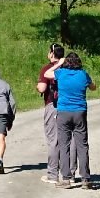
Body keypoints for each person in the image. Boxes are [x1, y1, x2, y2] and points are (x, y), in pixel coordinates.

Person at [52, 51, 94, 188]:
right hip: (79, 112)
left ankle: (66, 178)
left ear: (66, 62)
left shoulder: (61, 73)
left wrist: (58, 63)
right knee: (82, 145)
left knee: (64, 145)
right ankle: (85, 179)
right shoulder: (83, 74)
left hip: (63, 111)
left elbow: (47, 74)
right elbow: (93, 87)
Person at [37, 43, 66, 184]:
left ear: (51, 53)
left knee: (53, 141)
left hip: (52, 105)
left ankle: (52, 174)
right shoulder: (67, 67)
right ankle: (69, 174)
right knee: (68, 140)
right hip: (69, 106)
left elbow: (42, 88)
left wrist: (38, 85)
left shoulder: (47, 68)